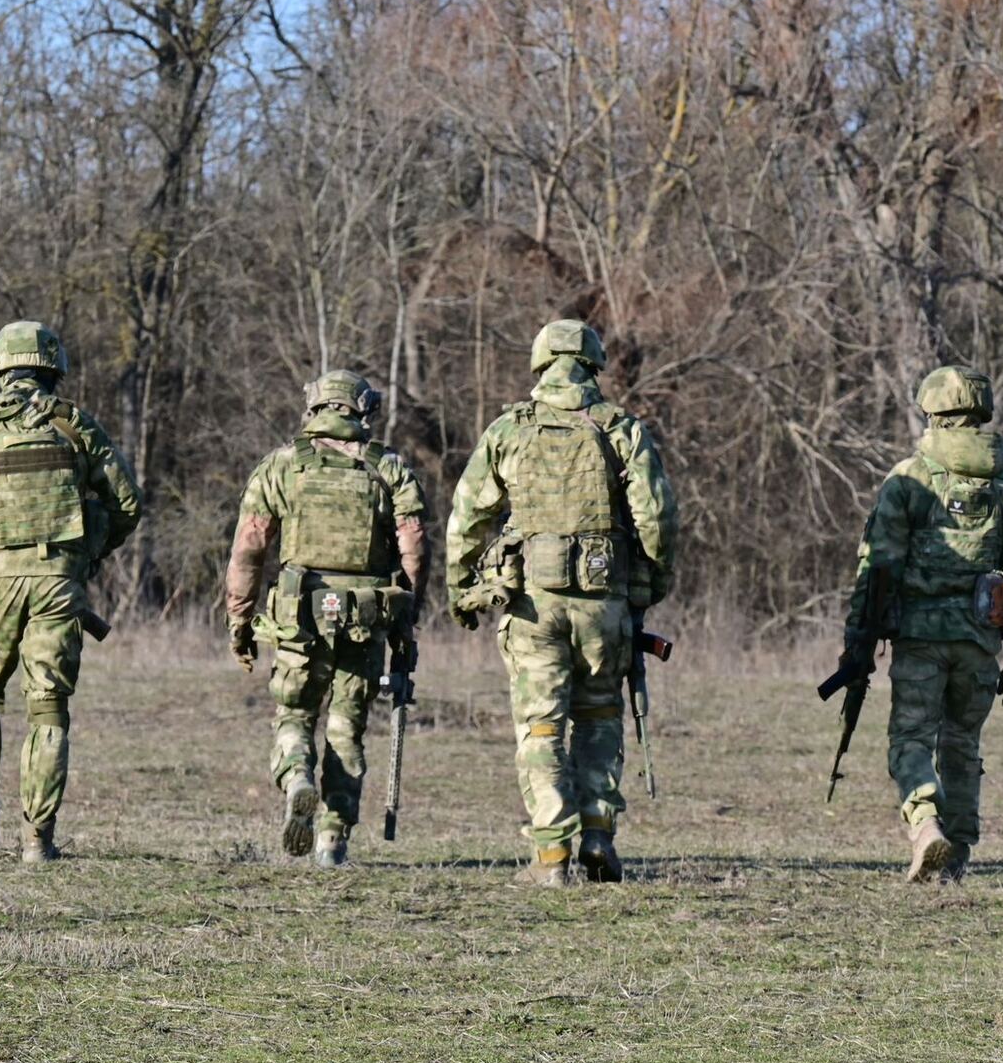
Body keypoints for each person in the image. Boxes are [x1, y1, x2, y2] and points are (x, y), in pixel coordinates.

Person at [445, 320, 677, 886]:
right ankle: (597, 836)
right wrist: (649, 583)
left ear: (541, 362)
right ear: (594, 365)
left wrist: (460, 587)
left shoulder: (510, 430)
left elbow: (467, 516)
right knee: (600, 717)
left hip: (532, 606)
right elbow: (657, 517)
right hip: (605, 607)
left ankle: (551, 856)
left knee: (542, 728)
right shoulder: (620, 428)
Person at [0, 321, 143, 864]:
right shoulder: (75, 426)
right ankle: (37, 838)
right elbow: (127, 504)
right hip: (57, 581)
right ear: (53, 367)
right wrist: (88, 553)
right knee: (47, 704)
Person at [843, 365, 1003, 882]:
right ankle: (956, 857)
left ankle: (924, 823)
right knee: (962, 745)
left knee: (911, 737)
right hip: (980, 641)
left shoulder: (909, 480)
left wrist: (857, 645)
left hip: (920, 638)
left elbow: (877, 569)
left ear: (931, 412)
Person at [224, 371, 429, 866]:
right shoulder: (387, 469)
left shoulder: (282, 466)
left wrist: (240, 619)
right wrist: (405, 617)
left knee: (295, 714)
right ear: (362, 411)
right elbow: (414, 547)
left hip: (299, 615)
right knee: (346, 727)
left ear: (314, 409)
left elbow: (249, 548)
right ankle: (332, 840)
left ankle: (297, 777)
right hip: (365, 617)